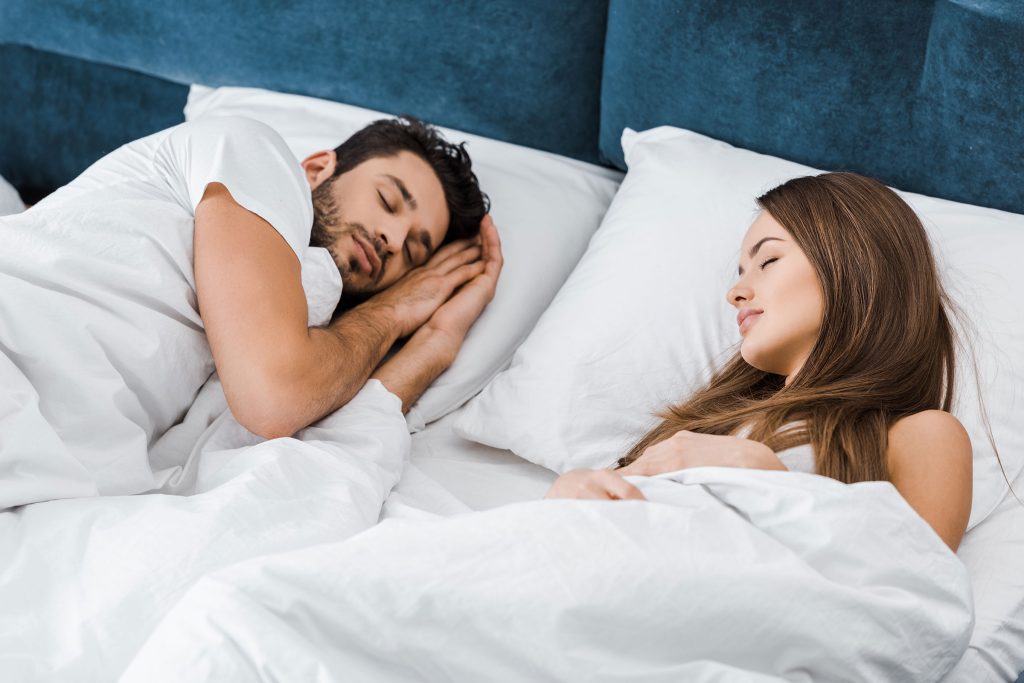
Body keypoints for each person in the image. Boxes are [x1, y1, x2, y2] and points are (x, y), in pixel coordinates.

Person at [0, 114, 500, 506]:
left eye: (412, 252)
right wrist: (395, 308)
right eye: (388, 201)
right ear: (317, 168)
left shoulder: (308, 335)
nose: (392, 239)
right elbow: (273, 397)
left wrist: (436, 339)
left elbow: (292, 456)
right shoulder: (253, 153)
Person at [545, 172, 972, 551]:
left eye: (767, 260)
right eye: (740, 271)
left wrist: (765, 476)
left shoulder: (921, 433)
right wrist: (569, 492)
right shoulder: (705, 426)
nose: (735, 293)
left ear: (857, 266)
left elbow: (914, 601)